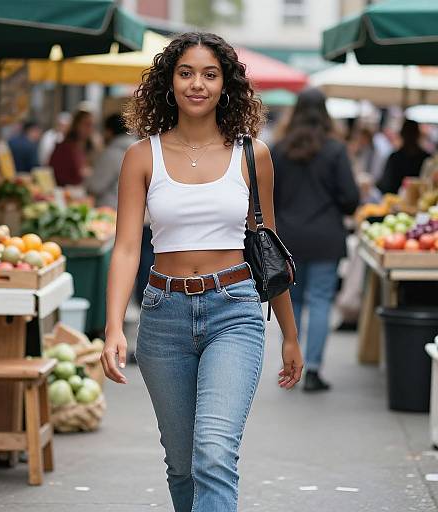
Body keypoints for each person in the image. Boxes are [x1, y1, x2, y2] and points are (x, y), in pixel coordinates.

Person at [102, 32, 303, 512]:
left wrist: (290, 335)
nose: (198, 84)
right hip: (162, 314)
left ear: (225, 84)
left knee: (214, 453)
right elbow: (128, 246)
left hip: (233, 312)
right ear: (169, 83)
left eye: (210, 74)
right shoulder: (141, 156)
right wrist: (112, 327)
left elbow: (269, 253)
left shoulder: (253, 156)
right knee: (182, 463)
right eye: (186, 73)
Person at [271, 87, 359, 392]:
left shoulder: (278, 149)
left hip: (286, 239)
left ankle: (290, 364)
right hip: (325, 237)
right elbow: (351, 199)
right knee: (321, 301)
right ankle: (314, 370)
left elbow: (268, 198)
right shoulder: (335, 150)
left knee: (292, 301)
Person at [86, 113, 136, 208]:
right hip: (134, 210)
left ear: (109, 131)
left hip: (112, 210)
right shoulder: (138, 150)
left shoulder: (112, 153)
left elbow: (95, 186)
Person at [377, 119, 430, 194]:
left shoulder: (427, 159)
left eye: (411, 134)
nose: (409, 137)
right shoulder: (395, 157)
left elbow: (385, 185)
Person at [49, 109, 96, 186]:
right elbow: (55, 173)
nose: (90, 129)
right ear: (76, 124)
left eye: (92, 125)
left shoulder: (89, 147)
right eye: (86, 124)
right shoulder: (64, 147)